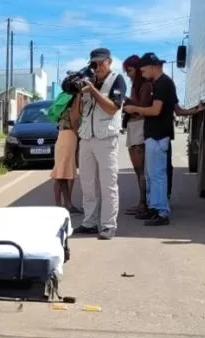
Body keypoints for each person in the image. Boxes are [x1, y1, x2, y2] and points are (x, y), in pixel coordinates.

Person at [75, 48, 127, 239]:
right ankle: (89, 222)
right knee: (87, 183)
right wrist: (79, 93)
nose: (96, 67)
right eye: (93, 64)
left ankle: (108, 226)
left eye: (99, 63)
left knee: (108, 184)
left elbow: (113, 107)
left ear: (109, 61)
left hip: (106, 138)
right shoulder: (89, 81)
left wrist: (93, 91)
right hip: (87, 137)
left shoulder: (117, 80)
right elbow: (80, 112)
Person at [124, 52, 178, 226]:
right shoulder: (160, 83)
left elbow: (155, 110)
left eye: (143, 68)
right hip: (153, 135)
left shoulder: (163, 83)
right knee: (152, 174)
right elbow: (177, 108)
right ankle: (155, 208)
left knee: (158, 175)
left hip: (158, 135)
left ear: (153, 66)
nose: (142, 72)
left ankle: (161, 212)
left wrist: (133, 108)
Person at [122, 55, 152, 215]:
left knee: (141, 170)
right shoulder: (137, 85)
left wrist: (127, 101)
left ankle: (144, 204)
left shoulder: (145, 85)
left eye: (130, 70)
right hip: (134, 126)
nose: (128, 74)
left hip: (139, 126)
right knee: (138, 170)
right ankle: (142, 203)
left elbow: (143, 107)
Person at [50, 87, 82, 212]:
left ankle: (62, 204)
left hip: (62, 137)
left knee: (62, 172)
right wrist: (80, 138)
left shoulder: (63, 109)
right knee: (64, 173)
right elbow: (74, 124)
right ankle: (66, 205)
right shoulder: (73, 108)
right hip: (69, 137)